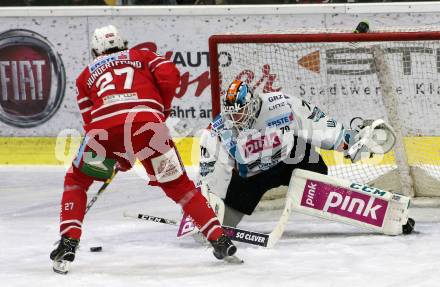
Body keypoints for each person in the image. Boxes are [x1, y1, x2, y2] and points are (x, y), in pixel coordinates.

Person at [50, 25, 237, 274]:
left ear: (95, 50)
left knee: (76, 181)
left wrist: (119, 154)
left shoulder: (85, 75)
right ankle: (219, 238)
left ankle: (68, 240)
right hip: (148, 126)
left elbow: (90, 121)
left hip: (104, 132)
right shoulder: (142, 56)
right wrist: (162, 110)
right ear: (123, 43)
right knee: (179, 186)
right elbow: (170, 75)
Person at [198, 80, 382, 228]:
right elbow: (208, 168)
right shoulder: (220, 127)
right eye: (232, 114)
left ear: (252, 104)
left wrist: (347, 141)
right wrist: (202, 200)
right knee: (223, 223)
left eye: (240, 112)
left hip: (293, 160)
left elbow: (315, 121)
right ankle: (215, 226)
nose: (235, 119)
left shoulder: (282, 104)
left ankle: (375, 212)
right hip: (253, 175)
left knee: (320, 188)